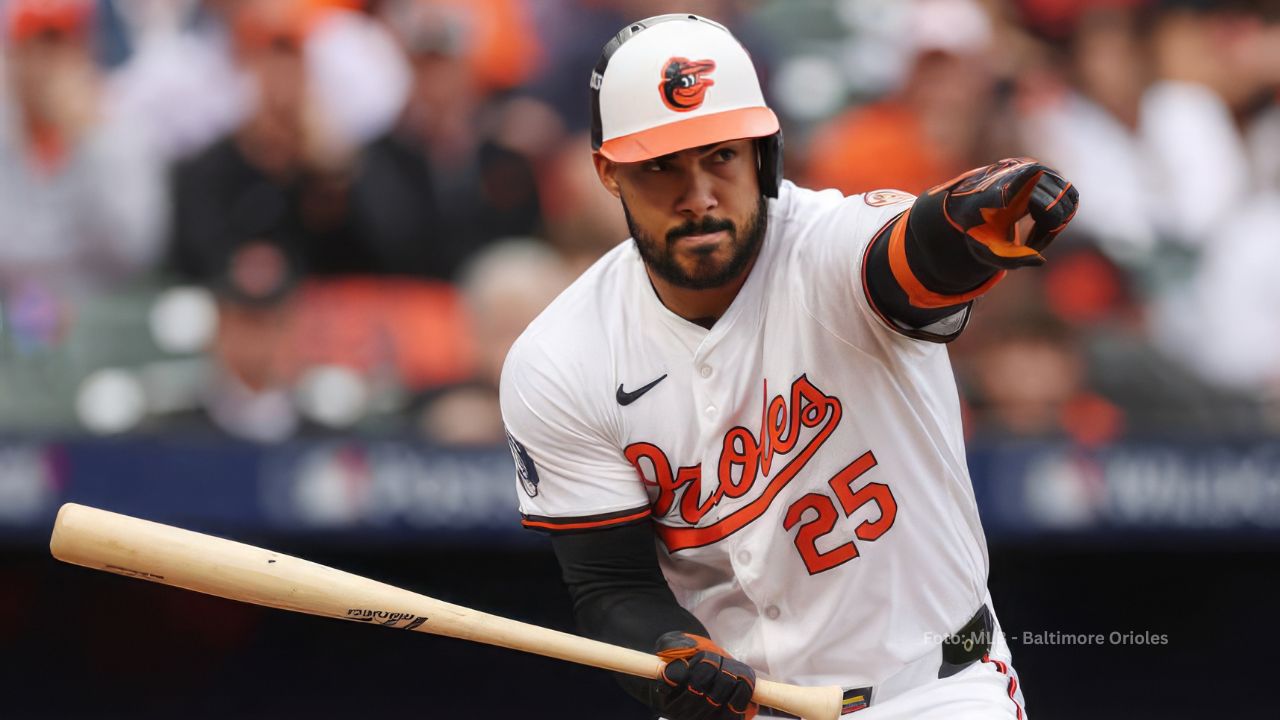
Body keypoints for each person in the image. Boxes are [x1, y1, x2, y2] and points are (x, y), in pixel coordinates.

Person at [499, 14, 1077, 720]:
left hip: (932, 691)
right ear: (608, 173)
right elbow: (613, 589)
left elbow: (908, 261)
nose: (699, 193)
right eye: (662, 165)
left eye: (720, 156)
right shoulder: (560, 356)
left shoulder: (829, 247)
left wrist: (961, 232)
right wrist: (670, 657)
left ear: (763, 154)